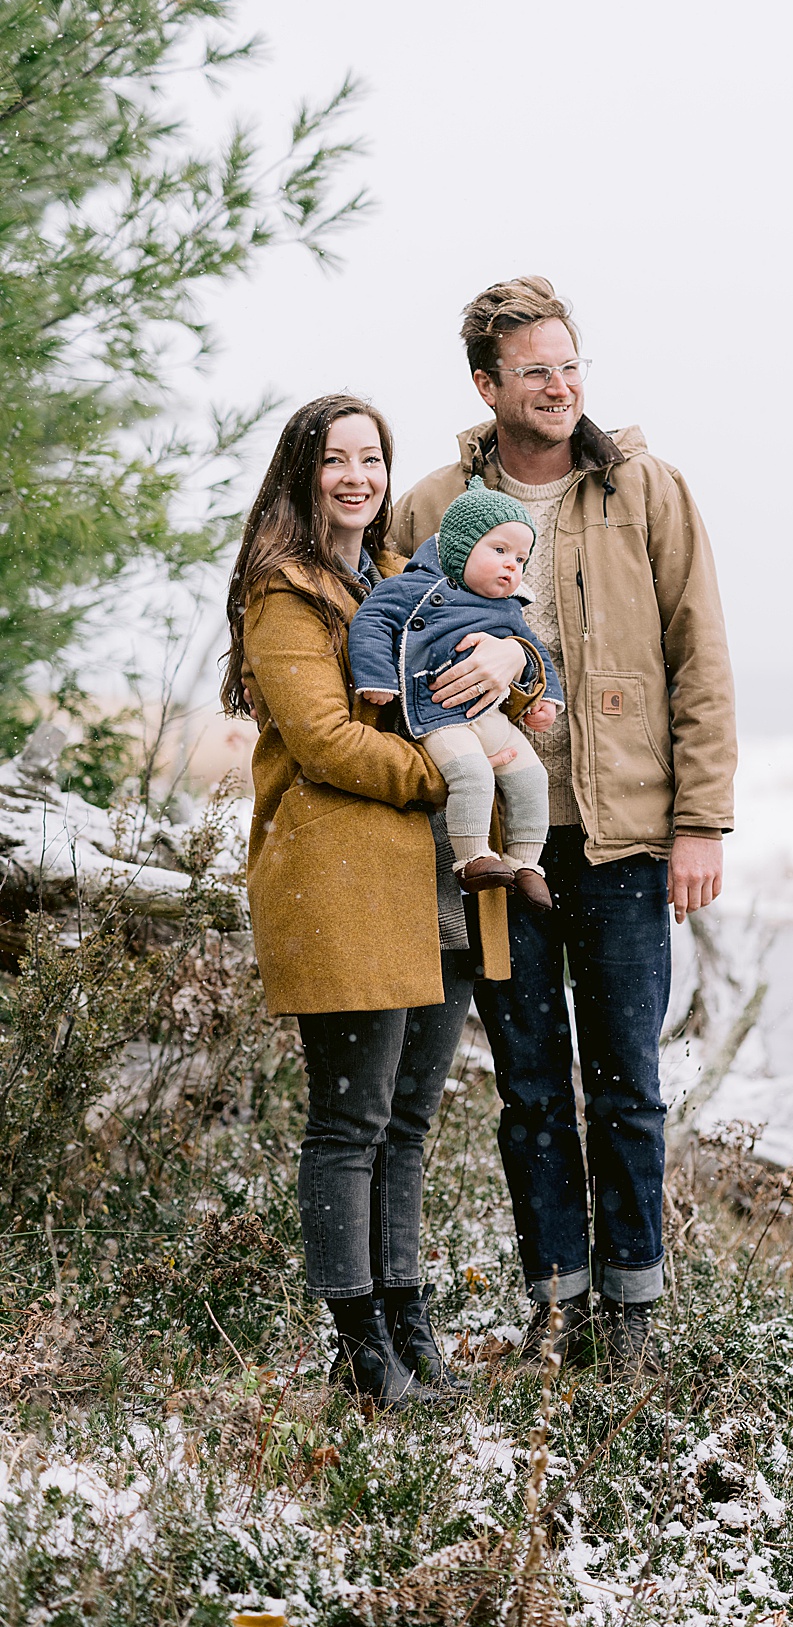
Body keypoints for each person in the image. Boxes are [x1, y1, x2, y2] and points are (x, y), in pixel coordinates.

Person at [392, 277, 736, 1374]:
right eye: (533, 370)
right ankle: (558, 1307)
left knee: (627, 1087)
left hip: (623, 840)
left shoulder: (646, 489)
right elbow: (390, 652)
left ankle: (629, 1319)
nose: (559, 385)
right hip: (498, 850)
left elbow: (701, 660)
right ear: (486, 385)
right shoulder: (434, 503)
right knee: (531, 1091)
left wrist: (702, 824)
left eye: (570, 363)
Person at [221, 392, 543, 1408]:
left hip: (433, 891)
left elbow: (506, 660)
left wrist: (514, 656)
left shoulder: (404, 580)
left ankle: (410, 1333)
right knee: (350, 1123)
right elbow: (323, 743)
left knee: (407, 1124)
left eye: (373, 458)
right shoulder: (285, 595)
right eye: (336, 460)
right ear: (301, 474)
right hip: (345, 884)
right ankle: (361, 1351)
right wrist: (446, 775)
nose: (358, 477)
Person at [347, 484, 564, 910]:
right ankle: (472, 857)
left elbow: (536, 651)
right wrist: (377, 678)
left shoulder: (508, 608)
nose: (511, 566)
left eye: (520, 559)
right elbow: (371, 622)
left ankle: (524, 863)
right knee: (473, 775)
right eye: (499, 549)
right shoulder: (412, 588)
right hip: (438, 712)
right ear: (462, 547)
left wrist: (545, 699)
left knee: (531, 778)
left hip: (491, 717)